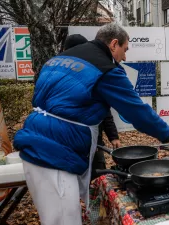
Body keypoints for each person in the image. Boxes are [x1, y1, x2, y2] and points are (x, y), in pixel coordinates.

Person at [13, 22, 169, 225]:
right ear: (114, 44)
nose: (125, 57)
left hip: (35, 142)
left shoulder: (59, 59)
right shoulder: (105, 69)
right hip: (54, 154)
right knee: (62, 221)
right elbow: (137, 111)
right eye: (125, 50)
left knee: (52, 217)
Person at [63, 34, 121, 181]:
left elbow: (104, 110)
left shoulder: (92, 72)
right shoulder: (62, 77)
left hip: (96, 140)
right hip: (70, 142)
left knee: (98, 176)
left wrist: (113, 136)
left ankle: (95, 202)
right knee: (72, 178)